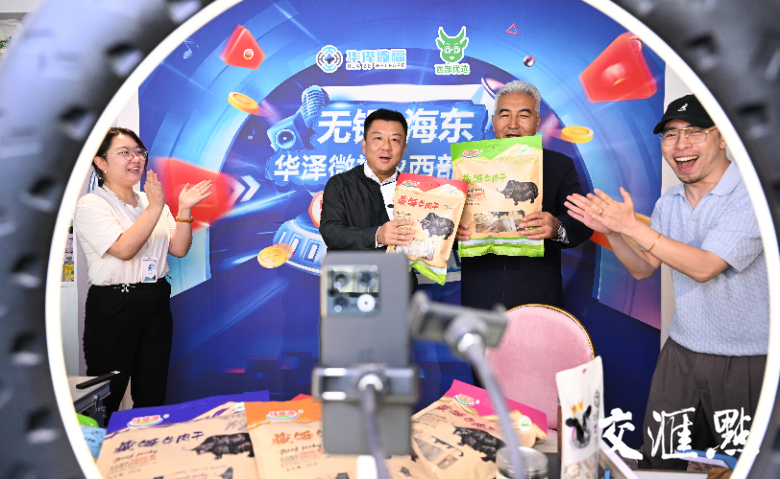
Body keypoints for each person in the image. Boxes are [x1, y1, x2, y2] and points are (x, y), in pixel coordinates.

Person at [566, 95, 768, 469]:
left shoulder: (752, 196)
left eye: (694, 132)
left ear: (723, 136)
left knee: (742, 466)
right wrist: (613, 233)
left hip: (745, 360)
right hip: (681, 351)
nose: (680, 145)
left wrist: (631, 227)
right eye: (671, 135)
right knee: (660, 463)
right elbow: (644, 268)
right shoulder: (669, 201)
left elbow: (705, 266)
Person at [73, 127, 212, 418]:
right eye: (125, 153)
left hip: (156, 297)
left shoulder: (151, 202)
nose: (136, 159)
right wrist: (156, 207)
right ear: (101, 162)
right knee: (107, 393)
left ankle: (146, 441)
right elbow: (124, 249)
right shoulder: (92, 204)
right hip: (115, 303)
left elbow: (179, 248)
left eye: (139, 152)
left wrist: (184, 210)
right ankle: (99, 445)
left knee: (152, 387)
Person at [455, 80, 593, 310]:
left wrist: (557, 227)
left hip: (539, 298)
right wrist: (455, 232)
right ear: (494, 122)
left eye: (523, 115)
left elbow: (582, 223)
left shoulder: (559, 165)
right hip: (479, 298)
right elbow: (446, 228)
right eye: (505, 115)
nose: (513, 124)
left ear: (537, 123)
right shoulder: (469, 164)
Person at [319, 108, 418, 290]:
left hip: (400, 288)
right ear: (364, 145)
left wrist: (452, 234)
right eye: (378, 138)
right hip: (351, 289)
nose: (386, 147)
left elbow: (429, 239)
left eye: (395, 140)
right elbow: (331, 232)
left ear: (403, 149)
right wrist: (376, 235)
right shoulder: (339, 185)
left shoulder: (416, 190)